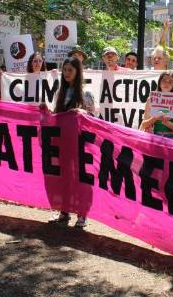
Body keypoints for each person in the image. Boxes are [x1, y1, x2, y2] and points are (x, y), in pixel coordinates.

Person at [46, 57, 95, 228]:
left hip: (80, 143)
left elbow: (93, 119)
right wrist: (47, 112)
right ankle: (64, 211)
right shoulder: (60, 92)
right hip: (62, 142)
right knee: (64, 176)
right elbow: (56, 116)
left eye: (70, 70)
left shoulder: (86, 94)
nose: (67, 73)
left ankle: (82, 214)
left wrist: (82, 112)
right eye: (64, 70)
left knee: (80, 177)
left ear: (77, 72)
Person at [139, 71, 173, 138]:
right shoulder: (150, 99)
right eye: (164, 80)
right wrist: (155, 118)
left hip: (172, 138)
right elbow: (144, 124)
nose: (166, 83)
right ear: (159, 82)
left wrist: (166, 122)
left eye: (170, 81)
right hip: (155, 137)